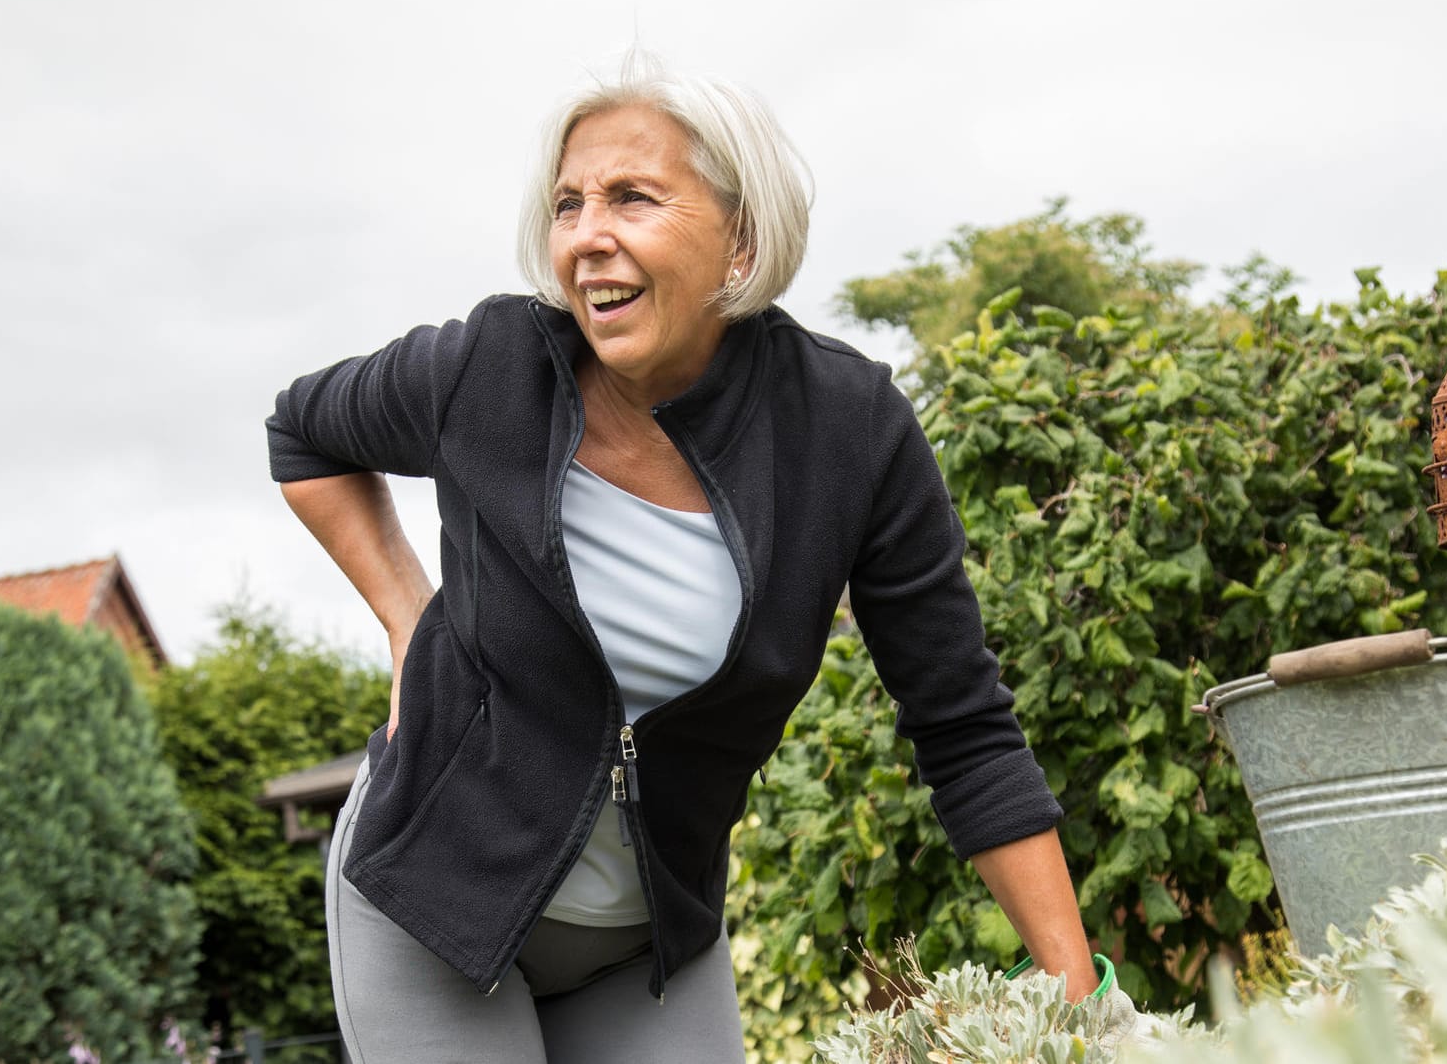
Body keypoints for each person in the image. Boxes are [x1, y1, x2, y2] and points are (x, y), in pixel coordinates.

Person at [266, 57, 1100, 1061]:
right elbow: (302, 431)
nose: (586, 236)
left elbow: (962, 724)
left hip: (649, 943)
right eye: (568, 203)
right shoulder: (487, 372)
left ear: (740, 238)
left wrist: (1075, 999)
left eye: (633, 197)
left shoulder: (848, 432)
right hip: (432, 905)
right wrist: (409, 616)